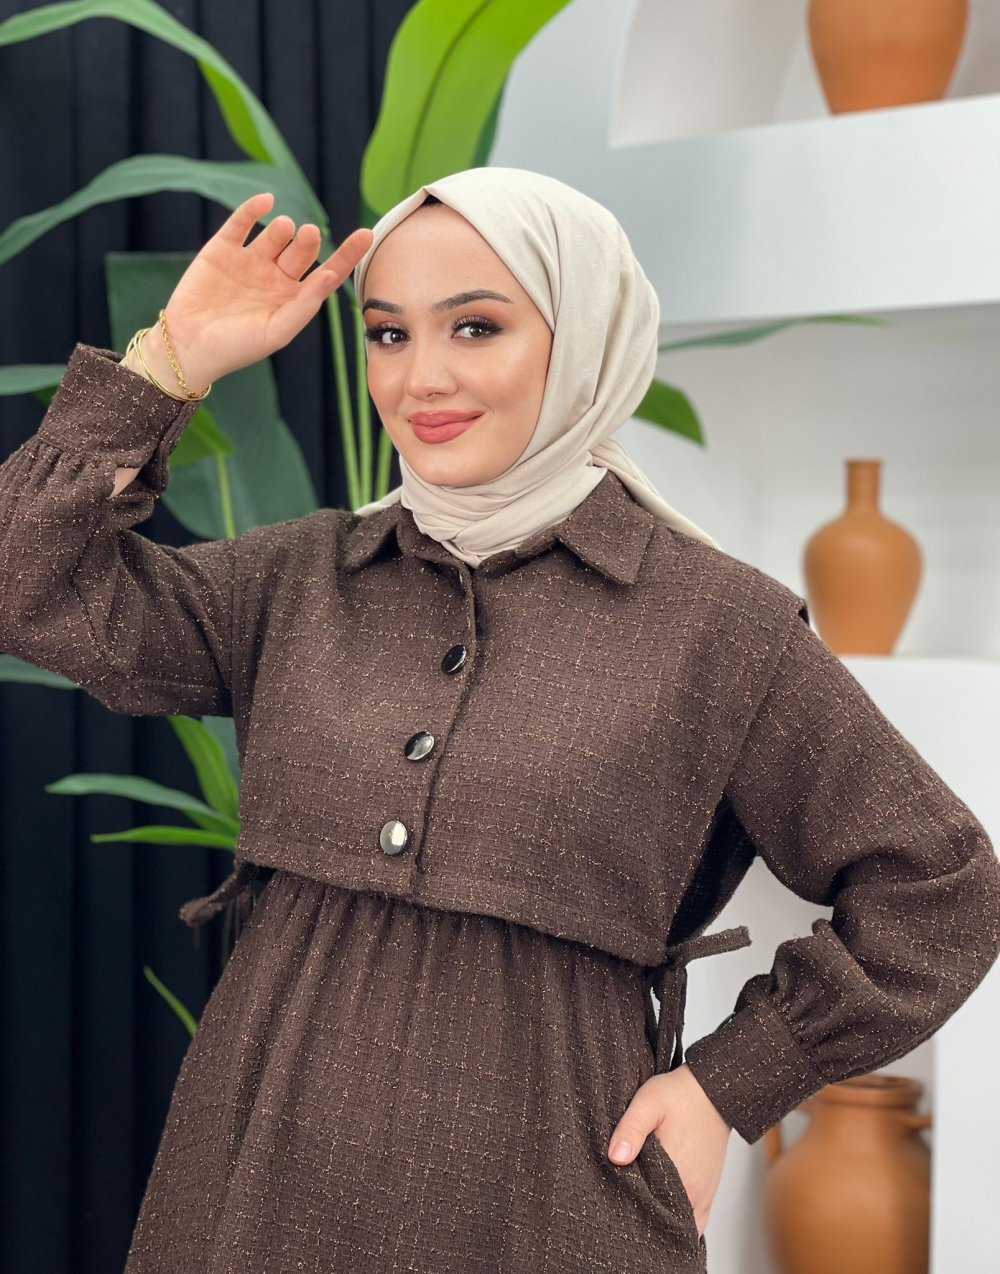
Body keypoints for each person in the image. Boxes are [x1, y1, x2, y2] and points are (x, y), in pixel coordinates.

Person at [0, 167, 997, 1274]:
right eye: (388, 334)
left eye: (475, 326)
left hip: (549, 1204)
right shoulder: (300, 580)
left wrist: (728, 1085)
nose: (420, 377)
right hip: (250, 1192)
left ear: (582, 336)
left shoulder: (717, 628)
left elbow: (941, 890)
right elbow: (29, 581)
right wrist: (166, 365)